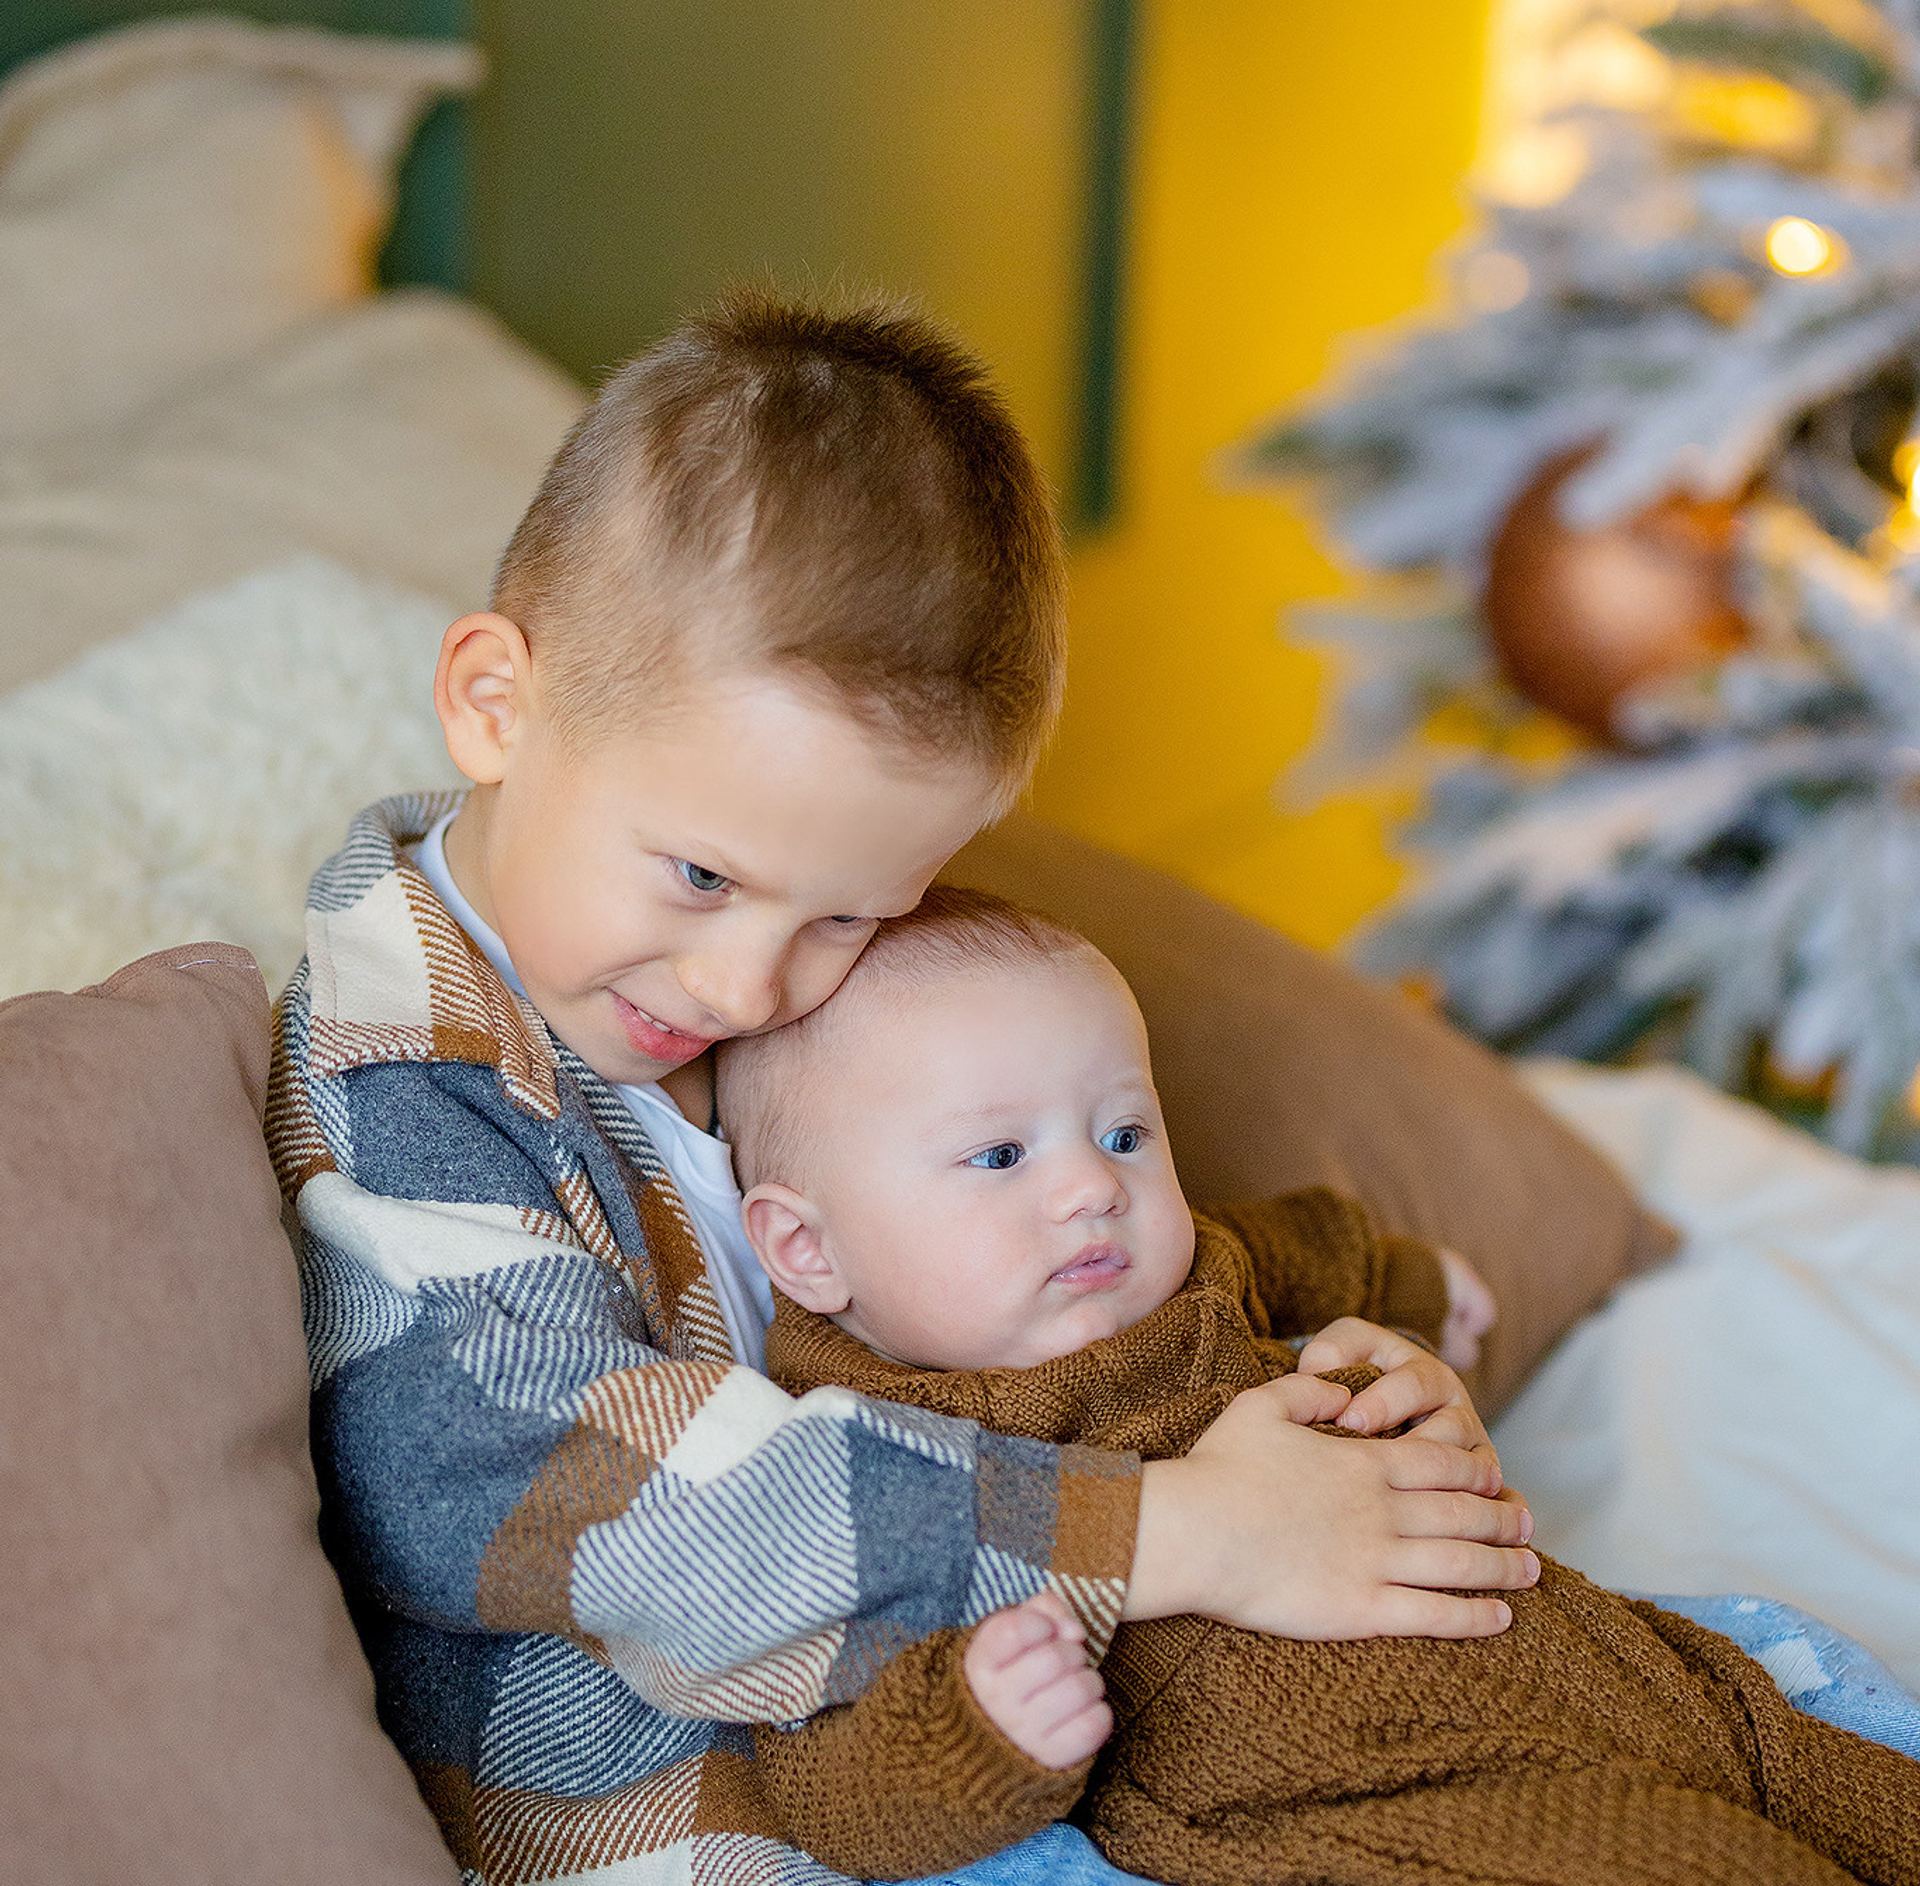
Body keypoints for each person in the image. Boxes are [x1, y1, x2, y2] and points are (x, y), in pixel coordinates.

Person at [267, 290, 1535, 1886]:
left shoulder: (694, 980)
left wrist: (1358, 1343)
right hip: (697, 1827)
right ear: (495, 704)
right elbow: (597, 1499)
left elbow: (1033, 1208)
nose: (746, 988)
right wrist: (1185, 1532)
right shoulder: (406, 1102)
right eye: (703, 873)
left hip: (1010, 1725)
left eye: (851, 912)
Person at [716, 886, 1920, 1886]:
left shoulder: (1191, 1272)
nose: (1093, 1186)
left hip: (1621, 1672)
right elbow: (835, 1787)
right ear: (808, 1250)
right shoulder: (888, 1466)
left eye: (1125, 1132)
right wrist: (989, 1730)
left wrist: (1414, 1291)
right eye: (998, 1155)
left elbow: (1308, 1249)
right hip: (1414, 1795)